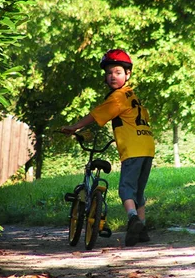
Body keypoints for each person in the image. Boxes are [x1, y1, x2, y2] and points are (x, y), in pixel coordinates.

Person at [61, 49, 155, 246]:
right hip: (147, 147)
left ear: (128, 74)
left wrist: (75, 127)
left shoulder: (118, 97)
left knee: (125, 190)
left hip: (134, 149)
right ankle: (142, 229)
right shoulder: (132, 95)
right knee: (138, 191)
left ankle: (132, 219)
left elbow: (95, 116)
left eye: (118, 72)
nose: (113, 76)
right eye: (109, 72)